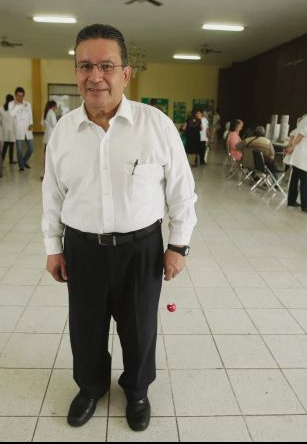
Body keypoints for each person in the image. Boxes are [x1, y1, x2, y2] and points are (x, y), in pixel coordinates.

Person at [43, 24, 197, 433]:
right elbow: (52, 195)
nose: (95, 76)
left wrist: (179, 245)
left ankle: (137, 390)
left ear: (126, 73)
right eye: (85, 66)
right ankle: (91, 386)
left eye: (106, 66)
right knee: (86, 325)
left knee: (140, 326)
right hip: (83, 247)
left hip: (141, 248)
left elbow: (182, 192)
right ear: (76, 72)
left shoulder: (156, 125)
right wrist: (52, 246)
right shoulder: (63, 132)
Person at [9, 87, 34, 172]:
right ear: (15, 95)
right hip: (19, 129)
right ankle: (21, 166)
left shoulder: (28, 104)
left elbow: (30, 114)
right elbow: (11, 114)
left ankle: (24, 161)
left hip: (27, 128)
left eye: (22, 96)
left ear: (24, 96)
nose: (20, 98)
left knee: (31, 148)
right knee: (19, 149)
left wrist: (31, 123)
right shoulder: (11, 104)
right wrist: (16, 105)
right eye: (18, 96)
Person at [41, 100, 58, 179]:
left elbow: (42, 123)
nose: (56, 108)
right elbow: (54, 124)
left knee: (46, 155)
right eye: (55, 106)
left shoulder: (46, 112)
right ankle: (47, 174)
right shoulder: (52, 113)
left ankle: (45, 173)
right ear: (53, 106)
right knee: (49, 156)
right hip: (51, 136)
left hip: (47, 136)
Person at [0, 94, 16, 164]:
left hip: (5, 129)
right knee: (11, 145)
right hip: (12, 128)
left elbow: (0, 119)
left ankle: (1, 160)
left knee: (5, 145)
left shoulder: (1, 108)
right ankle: (11, 160)